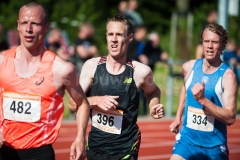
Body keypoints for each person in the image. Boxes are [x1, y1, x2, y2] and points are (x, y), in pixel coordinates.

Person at [0, 2, 90, 160]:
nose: (28, 29)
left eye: (34, 23)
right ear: (18, 25)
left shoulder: (62, 69)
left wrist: (80, 138)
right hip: (4, 149)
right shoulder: (1, 61)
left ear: (46, 27)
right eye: (24, 23)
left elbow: (82, 103)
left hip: (39, 152)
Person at [69, 14, 165, 160]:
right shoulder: (91, 66)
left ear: (129, 38)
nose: (114, 39)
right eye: (110, 34)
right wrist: (95, 101)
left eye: (119, 35)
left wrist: (154, 105)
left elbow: (153, 91)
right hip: (95, 145)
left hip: (125, 149)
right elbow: (72, 104)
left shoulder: (141, 71)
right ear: (106, 37)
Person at [169, 23, 237, 160]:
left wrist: (203, 101)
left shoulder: (228, 76)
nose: (210, 46)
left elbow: (230, 117)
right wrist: (178, 117)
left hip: (214, 147)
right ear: (202, 44)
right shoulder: (189, 67)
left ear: (222, 45)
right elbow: (185, 88)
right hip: (187, 142)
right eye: (206, 41)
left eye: (215, 42)